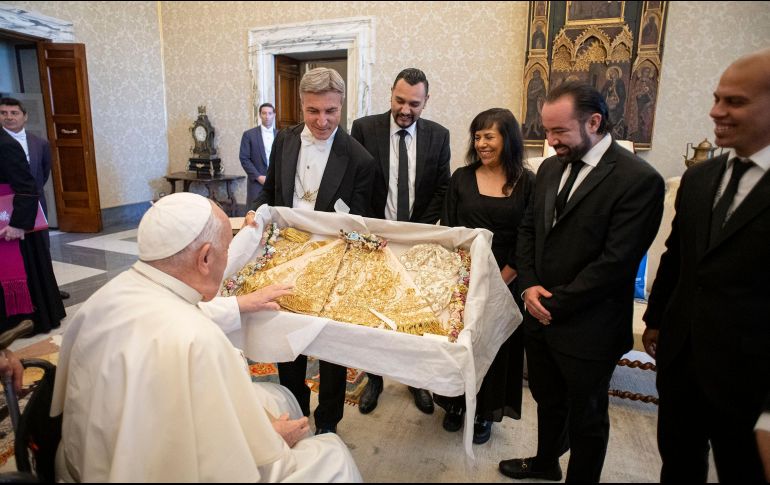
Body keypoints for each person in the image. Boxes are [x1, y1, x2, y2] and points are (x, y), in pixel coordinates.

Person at [50, 193, 362, 482]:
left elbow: (178, 313)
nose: (228, 258)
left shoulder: (105, 298)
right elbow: (232, 463)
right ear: (204, 259)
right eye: (227, 249)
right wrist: (273, 440)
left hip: (85, 459)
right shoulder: (199, 341)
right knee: (333, 453)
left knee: (280, 397)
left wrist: (241, 303)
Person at [499, 81, 664, 482]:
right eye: (546, 130)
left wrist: (551, 302)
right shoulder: (551, 167)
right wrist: (528, 287)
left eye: (560, 131)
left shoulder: (638, 180)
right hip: (540, 313)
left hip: (590, 326)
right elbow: (529, 232)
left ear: (594, 122)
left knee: (588, 418)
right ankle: (545, 464)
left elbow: (616, 262)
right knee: (547, 399)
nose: (550, 141)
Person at [642, 47, 770, 483]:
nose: (716, 112)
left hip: (751, 375)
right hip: (682, 359)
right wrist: (656, 319)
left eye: (734, 102)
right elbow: (677, 258)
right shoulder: (699, 179)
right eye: (717, 99)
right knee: (678, 463)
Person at [254, 67, 375, 435]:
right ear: (301, 106)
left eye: (331, 111)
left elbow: (360, 227)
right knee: (289, 342)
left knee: (332, 349)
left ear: (342, 107)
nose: (322, 121)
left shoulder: (360, 160)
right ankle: (295, 409)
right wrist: (254, 212)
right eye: (313, 111)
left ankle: (328, 423)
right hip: (286, 259)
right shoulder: (285, 141)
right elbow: (271, 191)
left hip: (333, 264)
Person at [350, 68, 450, 415]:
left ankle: (416, 380)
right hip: (374, 239)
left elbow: (441, 188)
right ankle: (374, 379)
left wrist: (416, 233)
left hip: (416, 241)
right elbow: (356, 184)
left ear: (426, 102)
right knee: (374, 314)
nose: (406, 110)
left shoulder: (439, 136)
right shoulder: (364, 129)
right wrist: (370, 229)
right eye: (400, 100)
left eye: (414, 104)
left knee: (414, 315)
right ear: (391, 93)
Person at [437, 108, 534, 444]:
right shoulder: (461, 178)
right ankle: (454, 404)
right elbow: (450, 230)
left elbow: (529, 236)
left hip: (507, 279)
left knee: (493, 345)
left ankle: (484, 412)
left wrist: (501, 277)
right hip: (462, 280)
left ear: (507, 139)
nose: (481, 143)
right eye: (477, 137)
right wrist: (462, 277)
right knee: (459, 342)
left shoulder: (527, 183)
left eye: (489, 136)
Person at [1, 97, 69, 300]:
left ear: (25, 117)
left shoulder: (40, 143)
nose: (9, 117)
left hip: (35, 202)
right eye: (4, 113)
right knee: (15, 251)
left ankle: (49, 290)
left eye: (14, 113)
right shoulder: (3, 143)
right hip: (7, 205)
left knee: (42, 247)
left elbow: (43, 171)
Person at [0, 127, 65, 336]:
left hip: (13, 220)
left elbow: (27, 186)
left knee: (25, 272)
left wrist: (19, 223)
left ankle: (23, 321)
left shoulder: (6, 144)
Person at [240, 103, 277, 211]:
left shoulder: (280, 135)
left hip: (276, 183)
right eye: (264, 113)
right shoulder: (249, 135)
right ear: (260, 115)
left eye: (270, 113)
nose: (267, 116)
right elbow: (244, 159)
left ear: (274, 115)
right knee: (254, 213)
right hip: (256, 182)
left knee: (274, 214)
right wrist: (258, 177)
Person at [523, 70, 547, 139]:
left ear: (539, 74)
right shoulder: (531, 82)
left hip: (538, 101)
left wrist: (541, 97)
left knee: (536, 115)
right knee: (531, 115)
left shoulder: (541, 81)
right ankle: (528, 131)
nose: (535, 75)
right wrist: (538, 89)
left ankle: (535, 129)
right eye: (534, 74)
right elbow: (529, 93)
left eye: (537, 74)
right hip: (531, 101)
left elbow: (543, 91)